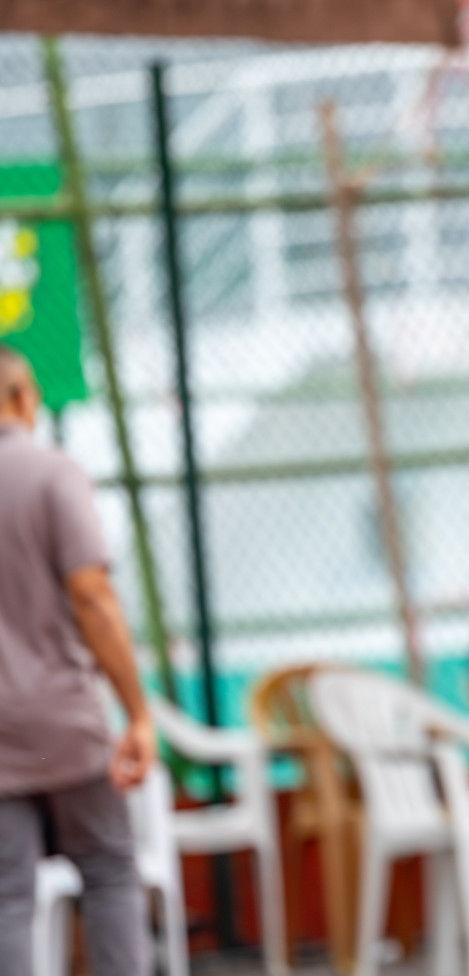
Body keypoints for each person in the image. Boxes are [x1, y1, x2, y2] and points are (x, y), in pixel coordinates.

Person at [0, 344, 156, 976]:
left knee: (7, 898)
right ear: (22, 399)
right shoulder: (51, 472)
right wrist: (137, 713)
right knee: (109, 871)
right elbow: (93, 594)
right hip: (64, 721)